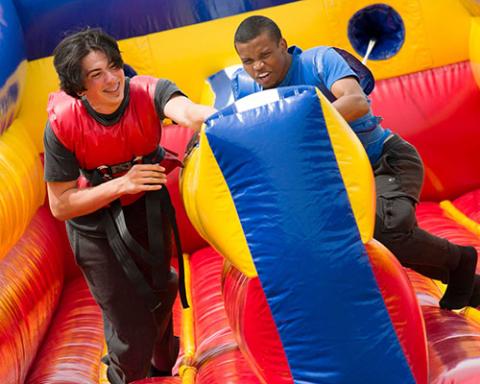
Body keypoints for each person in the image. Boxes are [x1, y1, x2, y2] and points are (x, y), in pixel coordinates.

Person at [231, 15, 480, 310]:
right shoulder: (248, 90)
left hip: (385, 161)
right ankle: (472, 286)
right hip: (342, 184)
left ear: (282, 45)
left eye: (264, 55)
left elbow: (356, 101)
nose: (257, 67)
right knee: (371, 246)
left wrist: (299, 122)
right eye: (248, 61)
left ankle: (461, 258)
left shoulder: (319, 61)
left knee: (386, 228)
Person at [43, 28, 215, 383]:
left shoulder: (149, 91)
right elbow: (60, 205)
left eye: (114, 67)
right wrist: (123, 183)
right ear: (78, 89)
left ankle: (161, 366)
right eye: (96, 75)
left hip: (146, 209)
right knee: (128, 323)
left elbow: (189, 112)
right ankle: (127, 376)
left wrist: (226, 114)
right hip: (94, 226)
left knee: (162, 291)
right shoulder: (62, 122)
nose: (112, 80)